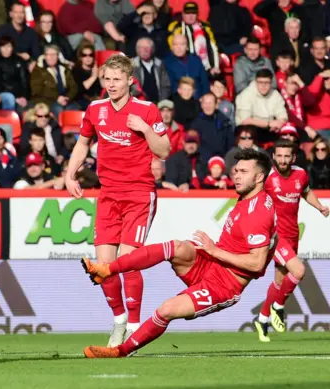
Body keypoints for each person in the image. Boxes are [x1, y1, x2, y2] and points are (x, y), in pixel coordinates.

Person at [80, 148, 282, 358]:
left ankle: (120, 351)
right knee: (177, 247)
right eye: (236, 170)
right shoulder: (248, 198)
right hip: (211, 264)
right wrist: (214, 253)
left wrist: (215, 250)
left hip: (224, 284)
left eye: (244, 172)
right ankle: (106, 269)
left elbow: (257, 264)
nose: (237, 176)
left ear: (259, 177)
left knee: (166, 310)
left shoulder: (258, 212)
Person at [65, 54, 170, 348]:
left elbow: (163, 150)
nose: (111, 85)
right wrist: (70, 173)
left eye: (116, 80)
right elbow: (83, 143)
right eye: (107, 79)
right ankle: (119, 321)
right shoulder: (95, 109)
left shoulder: (147, 111)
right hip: (108, 194)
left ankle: (136, 328)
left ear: (130, 81)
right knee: (103, 265)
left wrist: (146, 130)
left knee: (127, 262)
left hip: (139, 194)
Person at [254, 139, 329, 341]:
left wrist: (320, 206)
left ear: (293, 157)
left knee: (280, 281)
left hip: (293, 234)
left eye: (287, 156)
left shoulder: (301, 174)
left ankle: (262, 318)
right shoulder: (267, 178)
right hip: (276, 236)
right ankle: (278, 306)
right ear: (274, 156)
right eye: (279, 155)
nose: (283, 160)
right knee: (299, 270)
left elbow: (305, 192)